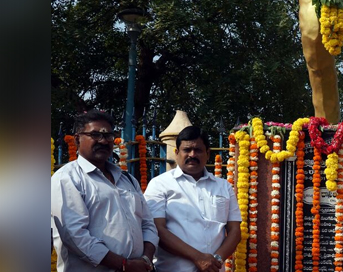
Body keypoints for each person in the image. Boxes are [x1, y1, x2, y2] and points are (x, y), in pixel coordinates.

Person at [51, 110, 158, 272]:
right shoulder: (67, 179)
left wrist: (145, 260)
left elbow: (148, 225)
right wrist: (124, 265)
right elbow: (74, 235)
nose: (103, 141)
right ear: (77, 139)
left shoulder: (127, 179)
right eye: (95, 134)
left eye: (108, 136)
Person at [144, 126, 241, 272]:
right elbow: (157, 229)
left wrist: (216, 260)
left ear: (207, 153)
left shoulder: (223, 186)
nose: (192, 154)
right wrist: (198, 257)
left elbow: (234, 231)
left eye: (198, 150)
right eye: (187, 150)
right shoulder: (160, 184)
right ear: (177, 153)